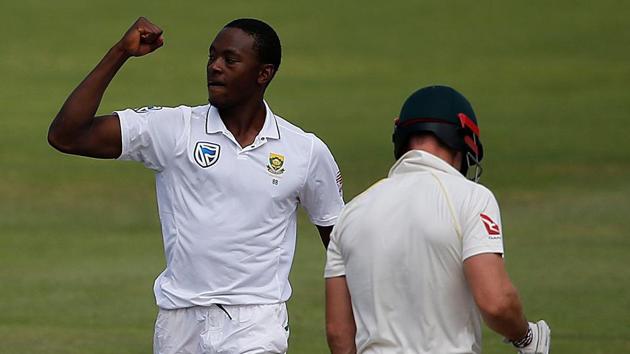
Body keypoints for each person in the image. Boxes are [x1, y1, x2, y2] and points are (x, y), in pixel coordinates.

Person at [48, 17, 344, 354]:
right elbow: (67, 135)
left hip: (256, 323)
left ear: (264, 73)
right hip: (179, 322)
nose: (214, 67)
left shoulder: (304, 151)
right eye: (211, 57)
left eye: (229, 60)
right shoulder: (175, 129)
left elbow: (338, 244)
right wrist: (120, 52)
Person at [324, 85, 550, 354]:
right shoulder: (472, 197)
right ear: (464, 139)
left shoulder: (352, 213)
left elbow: (338, 332)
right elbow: (496, 303)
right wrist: (526, 337)